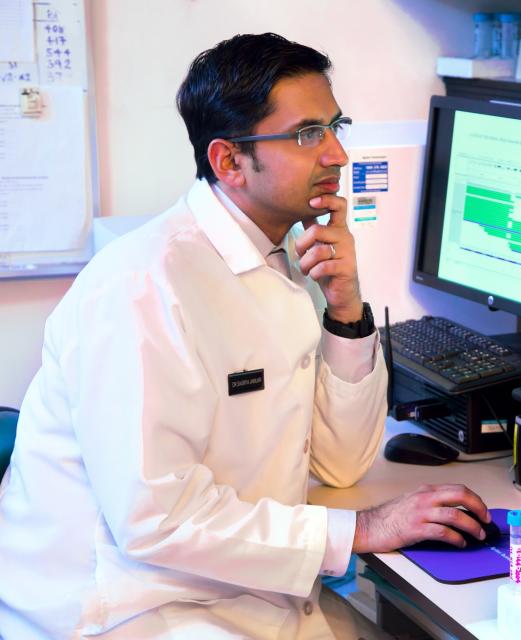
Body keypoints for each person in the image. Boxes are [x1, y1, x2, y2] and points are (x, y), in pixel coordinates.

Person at [0, 33, 491, 639]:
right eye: (309, 134)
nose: (337, 154)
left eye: (336, 126)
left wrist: (345, 306)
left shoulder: (281, 259)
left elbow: (340, 463)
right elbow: (156, 519)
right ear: (229, 162)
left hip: (242, 590)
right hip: (127, 612)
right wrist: (361, 530)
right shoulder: (144, 287)